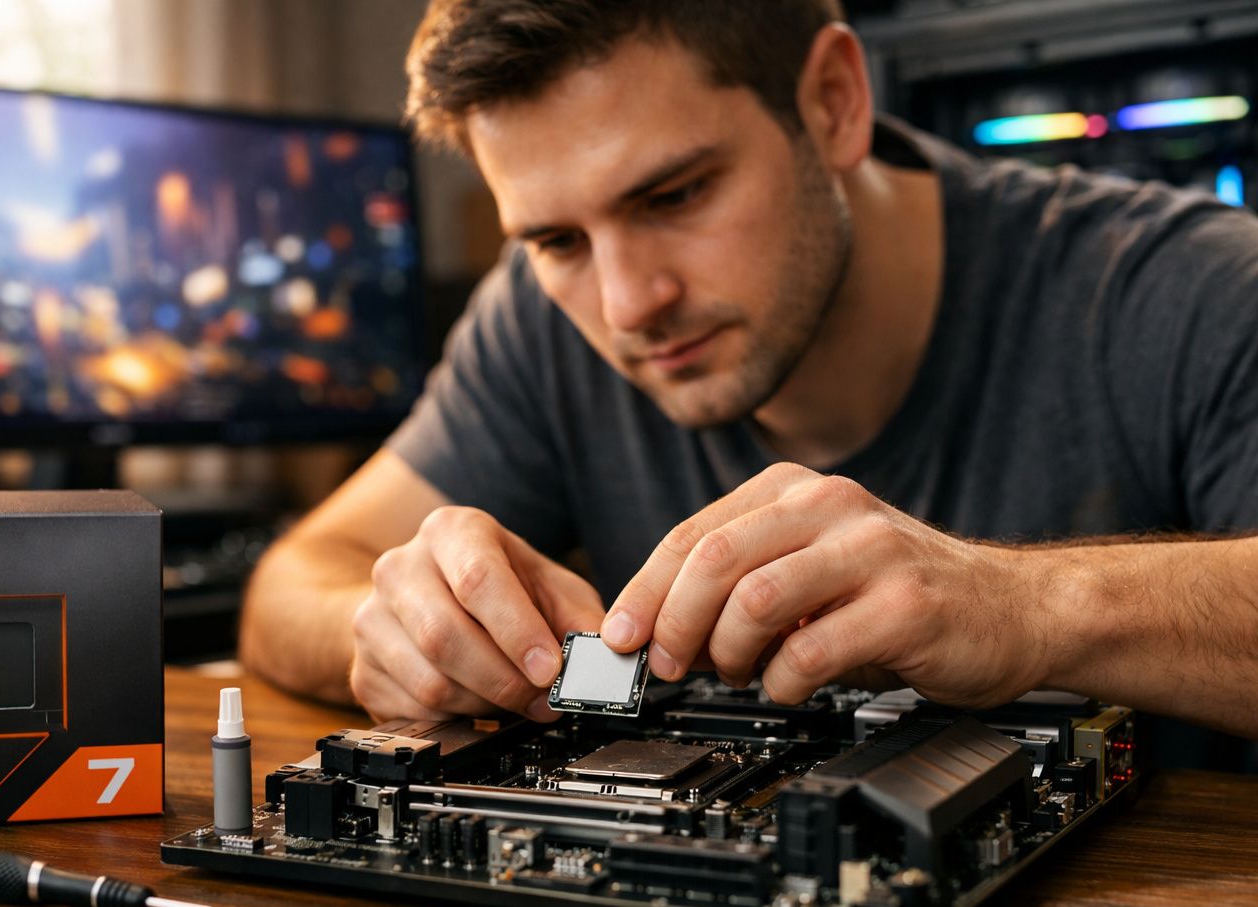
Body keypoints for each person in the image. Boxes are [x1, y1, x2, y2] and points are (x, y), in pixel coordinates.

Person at [238, 0, 1258, 767]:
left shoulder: (1191, 290)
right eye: (554, 238)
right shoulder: (541, 311)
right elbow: (295, 580)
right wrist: (392, 631)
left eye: (675, 194)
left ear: (833, 102)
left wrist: (1033, 609)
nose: (628, 301)